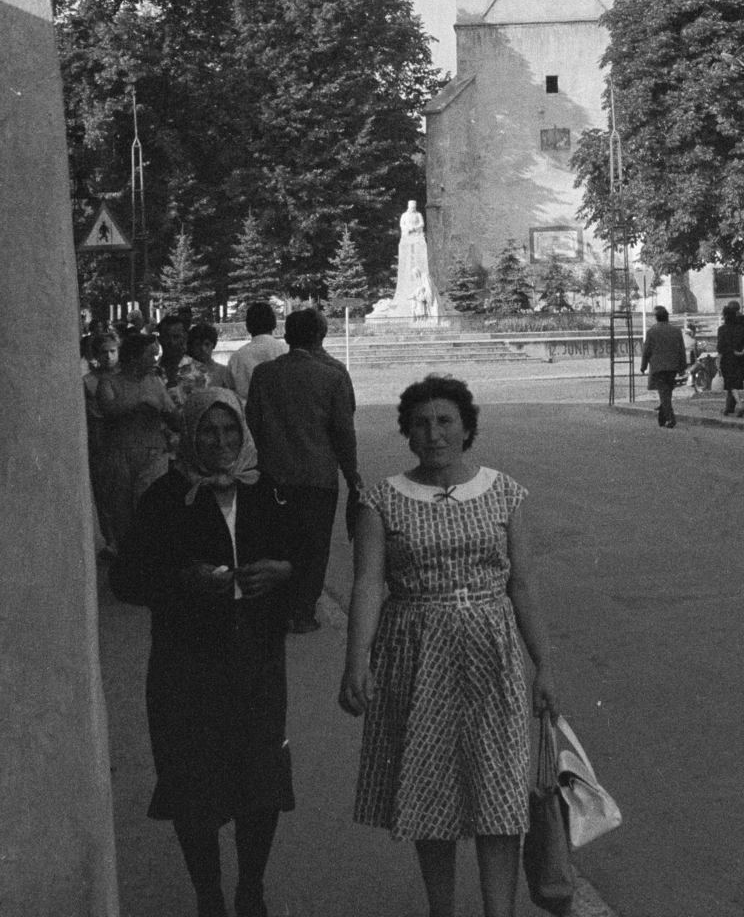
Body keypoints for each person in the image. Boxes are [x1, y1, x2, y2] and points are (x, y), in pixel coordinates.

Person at [339, 376, 559, 917]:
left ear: (466, 428)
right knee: (430, 785)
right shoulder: (381, 499)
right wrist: (356, 662)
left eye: (445, 421)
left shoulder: (504, 491)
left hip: (493, 652)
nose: (434, 433)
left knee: (499, 790)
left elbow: (522, 583)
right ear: (407, 435)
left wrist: (545, 664)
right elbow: (369, 583)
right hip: (416, 654)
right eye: (421, 423)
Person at [110, 388, 295, 917]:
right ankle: (208, 897)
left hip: (255, 655)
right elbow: (127, 579)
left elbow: (301, 556)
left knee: (260, 778)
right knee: (194, 785)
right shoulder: (165, 497)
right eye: (208, 432)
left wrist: (282, 571)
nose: (220, 442)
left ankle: (250, 890)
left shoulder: (267, 490)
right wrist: (181, 580)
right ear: (189, 434)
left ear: (244, 433)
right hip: (186, 662)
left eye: (229, 430)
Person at [246, 306, 359, 633]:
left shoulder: (264, 375)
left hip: (272, 476)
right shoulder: (334, 374)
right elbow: (343, 433)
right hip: (317, 478)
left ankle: (279, 606)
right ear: (321, 335)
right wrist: (353, 479)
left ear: (287, 335)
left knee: (278, 541)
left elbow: (253, 423)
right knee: (312, 547)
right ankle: (302, 611)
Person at [96, 329, 180, 549]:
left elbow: (172, 416)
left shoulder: (155, 383)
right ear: (133, 357)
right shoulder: (109, 382)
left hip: (154, 454)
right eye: (150, 355)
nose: (154, 360)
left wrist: (171, 413)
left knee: (151, 506)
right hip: (119, 455)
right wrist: (140, 402)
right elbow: (108, 409)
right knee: (121, 513)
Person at [85, 329, 120, 552]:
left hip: (121, 436)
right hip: (100, 439)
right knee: (104, 493)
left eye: (113, 351)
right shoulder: (88, 381)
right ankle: (111, 539)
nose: (108, 356)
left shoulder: (125, 376)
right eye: (104, 352)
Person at [639, 305, 688, 427]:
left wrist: (643, 366)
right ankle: (663, 415)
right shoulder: (676, 331)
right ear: (667, 317)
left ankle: (670, 418)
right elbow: (681, 349)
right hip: (672, 366)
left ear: (656, 318)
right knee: (668, 392)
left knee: (663, 393)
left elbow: (646, 351)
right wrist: (682, 367)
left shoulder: (652, 331)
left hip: (658, 366)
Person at [228, 301, 287, 401]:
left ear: (247, 326)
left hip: (248, 413)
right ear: (274, 324)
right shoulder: (287, 350)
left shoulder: (236, 357)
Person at [187, 322, 233, 390]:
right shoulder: (185, 371)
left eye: (207, 344)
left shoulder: (223, 372)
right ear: (192, 346)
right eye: (198, 344)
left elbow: (231, 397)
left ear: (214, 345)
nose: (202, 349)